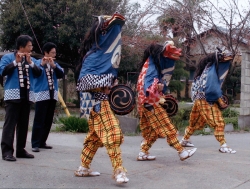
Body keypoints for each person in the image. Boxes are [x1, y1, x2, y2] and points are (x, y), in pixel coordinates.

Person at [74, 13, 129, 184]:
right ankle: (119, 170)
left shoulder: (102, 56)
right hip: (96, 103)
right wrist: (104, 86)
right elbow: (84, 83)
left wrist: (109, 86)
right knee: (113, 133)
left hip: (100, 102)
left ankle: (83, 167)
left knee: (94, 138)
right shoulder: (93, 56)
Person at [136, 41, 197, 161]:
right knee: (167, 126)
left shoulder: (151, 64)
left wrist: (158, 86)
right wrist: (157, 86)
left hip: (146, 102)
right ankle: (181, 151)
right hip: (150, 102)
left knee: (153, 132)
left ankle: (143, 153)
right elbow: (148, 85)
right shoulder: (152, 66)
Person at [180, 51, 236, 154]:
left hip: (199, 98)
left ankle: (184, 139)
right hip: (206, 98)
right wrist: (219, 99)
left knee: (195, 122)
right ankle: (223, 145)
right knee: (218, 121)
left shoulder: (207, 68)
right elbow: (211, 87)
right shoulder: (211, 70)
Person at [0, 35, 42, 161]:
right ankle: (7, 151)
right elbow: (2, 72)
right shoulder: (8, 57)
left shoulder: (31, 59)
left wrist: (31, 63)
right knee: (10, 123)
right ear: (21, 46)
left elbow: (38, 73)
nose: (31, 48)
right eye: (29, 46)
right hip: (13, 93)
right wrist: (15, 63)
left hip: (27, 94)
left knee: (23, 124)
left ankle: (20, 149)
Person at [31, 42, 64, 152]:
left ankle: (42, 141)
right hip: (41, 94)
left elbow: (61, 74)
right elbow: (35, 73)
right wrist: (42, 64)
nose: (54, 55)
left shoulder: (55, 63)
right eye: (52, 53)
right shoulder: (37, 62)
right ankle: (35, 143)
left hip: (52, 94)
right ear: (46, 52)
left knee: (48, 119)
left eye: (55, 53)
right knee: (39, 119)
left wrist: (54, 66)